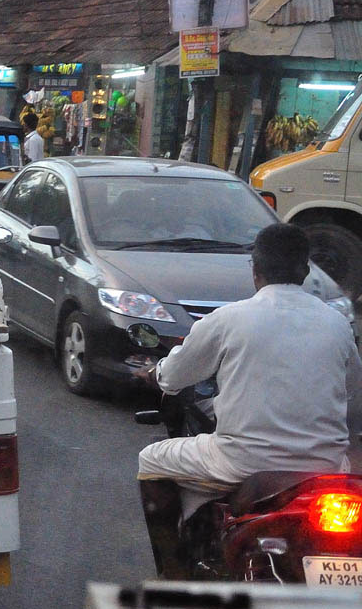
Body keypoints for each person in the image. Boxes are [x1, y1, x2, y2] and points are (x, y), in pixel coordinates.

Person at [136, 223, 362, 578]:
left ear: (255, 271)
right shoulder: (336, 323)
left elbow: (174, 377)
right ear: (304, 270)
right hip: (323, 467)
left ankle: (173, 574)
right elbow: (352, 392)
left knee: (150, 459)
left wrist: (154, 374)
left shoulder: (229, 319)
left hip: (241, 462)